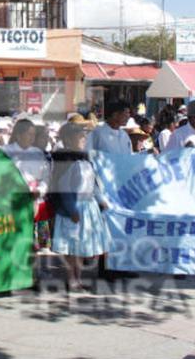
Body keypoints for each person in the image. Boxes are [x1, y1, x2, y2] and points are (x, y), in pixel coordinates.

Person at [49, 123, 112, 292]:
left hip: (88, 206)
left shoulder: (85, 159)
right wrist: (72, 209)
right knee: (73, 246)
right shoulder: (66, 159)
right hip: (76, 208)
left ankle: (77, 277)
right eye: (80, 137)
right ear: (69, 139)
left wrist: (101, 200)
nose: (84, 140)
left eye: (84, 137)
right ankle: (72, 278)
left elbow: (94, 184)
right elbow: (64, 187)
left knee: (81, 246)